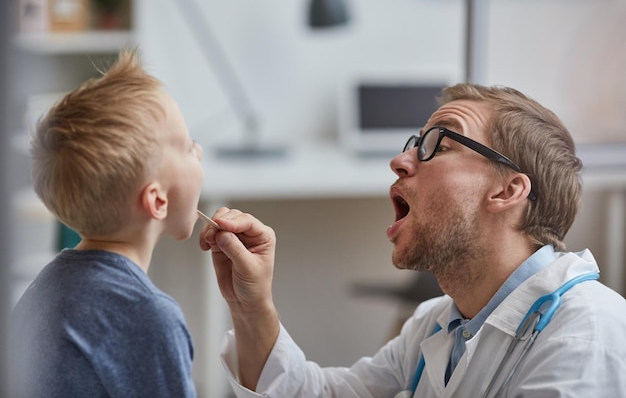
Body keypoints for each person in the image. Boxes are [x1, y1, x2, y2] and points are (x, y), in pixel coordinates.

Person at [199, 83, 626, 398]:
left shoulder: (583, 335)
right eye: (412, 144)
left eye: (437, 144)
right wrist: (251, 307)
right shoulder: (439, 324)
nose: (400, 161)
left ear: (506, 191)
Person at [9, 49, 204, 397]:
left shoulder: (49, 285)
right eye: (189, 147)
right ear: (157, 200)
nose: (199, 151)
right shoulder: (149, 316)